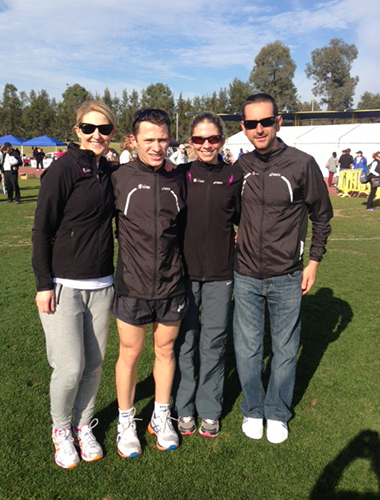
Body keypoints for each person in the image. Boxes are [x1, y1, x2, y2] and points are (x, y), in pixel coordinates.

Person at [233, 94, 333, 444]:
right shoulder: (240, 167)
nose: (258, 129)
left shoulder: (302, 163)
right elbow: (227, 211)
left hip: (288, 275)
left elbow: (322, 216)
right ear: (243, 127)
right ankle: (252, 407)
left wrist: (314, 262)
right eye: (250, 124)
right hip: (244, 274)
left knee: (286, 349)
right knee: (247, 350)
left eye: (264, 121)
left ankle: (277, 411)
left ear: (278, 121)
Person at [32, 100, 116, 469]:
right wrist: (43, 283)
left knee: (94, 365)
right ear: (76, 130)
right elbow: (41, 229)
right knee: (69, 367)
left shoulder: (109, 171)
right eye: (89, 128)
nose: (96, 135)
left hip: (103, 283)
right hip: (63, 285)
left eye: (104, 129)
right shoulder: (63, 169)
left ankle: (84, 425)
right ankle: (61, 430)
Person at [111, 108, 186, 458]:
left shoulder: (178, 178)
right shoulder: (117, 178)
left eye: (162, 139)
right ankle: (126, 422)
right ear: (133, 140)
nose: (157, 147)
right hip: (132, 284)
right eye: (149, 140)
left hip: (172, 283)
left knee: (166, 351)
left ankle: (160, 415)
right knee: (130, 354)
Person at [172, 112, 242, 438]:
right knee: (185, 343)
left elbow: (244, 219)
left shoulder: (233, 177)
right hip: (183, 275)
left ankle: (210, 410)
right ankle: (183, 407)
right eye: (199, 139)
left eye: (212, 139)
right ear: (190, 142)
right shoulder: (180, 176)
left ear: (222, 141)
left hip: (219, 274)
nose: (206, 144)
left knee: (213, 344)